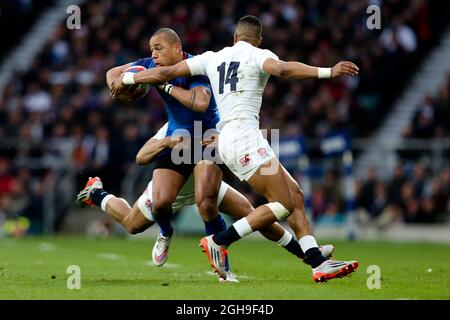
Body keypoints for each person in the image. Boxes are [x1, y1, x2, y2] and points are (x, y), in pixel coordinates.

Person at [112, 15, 359, 283]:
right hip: (243, 137)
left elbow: (164, 74)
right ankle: (220, 240)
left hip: (228, 139)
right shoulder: (257, 55)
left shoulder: (211, 58)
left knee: (295, 195)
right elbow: (284, 70)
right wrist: (328, 72)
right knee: (283, 204)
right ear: (259, 39)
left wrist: (128, 80)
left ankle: (316, 258)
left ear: (234, 38)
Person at [76, 123, 335, 282]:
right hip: (171, 191)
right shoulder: (175, 125)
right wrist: (167, 143)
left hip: (206, 186)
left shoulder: (218, 125)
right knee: (132, 224)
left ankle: (304, 254)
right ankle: (96, 193)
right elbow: (141, 155)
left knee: (250, 212)